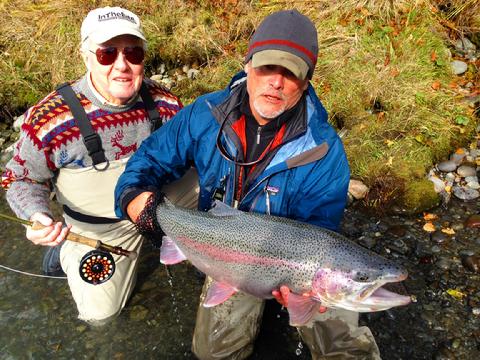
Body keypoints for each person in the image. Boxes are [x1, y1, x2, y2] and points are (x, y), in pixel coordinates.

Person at [114, 9, 380, 359]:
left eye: (290, 73)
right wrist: (135, 199)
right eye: (268, 67)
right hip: (226, 244)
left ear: (306, 81)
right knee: (213, 354)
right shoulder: (205, 113)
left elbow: (320, 234)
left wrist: (299, 297)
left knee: (347, 345)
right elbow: (145, 162)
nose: (276, 81)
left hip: (303, 268)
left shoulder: (324, 150)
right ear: (249, 64)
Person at [0, 6, 193, 326]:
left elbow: (195, 154)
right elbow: (20, 178)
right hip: (100, 230)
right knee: (100, 318)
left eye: (133, 52)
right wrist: (37, 217)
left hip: (157, 205)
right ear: (86, 56)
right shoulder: (52, 118)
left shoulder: (164, 103)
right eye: (107, 54)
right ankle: (65, 252)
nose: (122, 65)